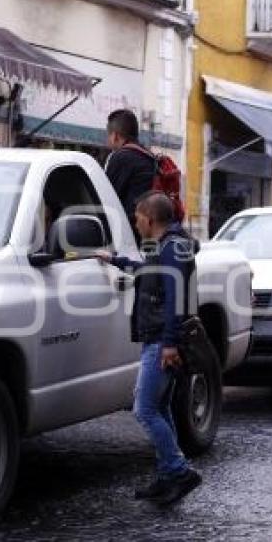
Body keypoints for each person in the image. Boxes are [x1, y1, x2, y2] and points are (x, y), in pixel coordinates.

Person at [96, 191, 202, 506]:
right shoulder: (166, 246)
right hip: (158, 339)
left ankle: (180, 471)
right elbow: (148, 273)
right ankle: (167, 476)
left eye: (138, 216)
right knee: (161, 407)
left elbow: (175, 299)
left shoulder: (172, 249)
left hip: (162, 341)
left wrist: (169, 343)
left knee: (144, 409)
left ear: (151, 219)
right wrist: (115, 260)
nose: (135, 221)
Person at [104, 109, 155, 242]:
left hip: (129, 236)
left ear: (115, 136)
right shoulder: (148, 156)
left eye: (108, 135)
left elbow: (107, 199)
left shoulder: (120, 157)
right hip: (151, 232)